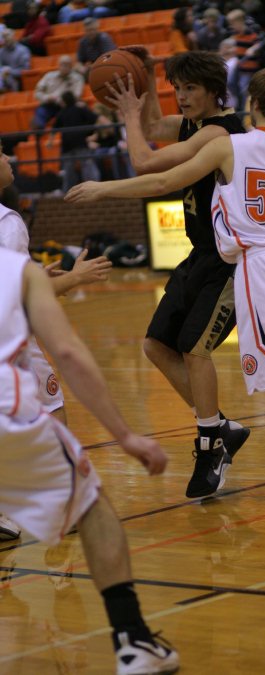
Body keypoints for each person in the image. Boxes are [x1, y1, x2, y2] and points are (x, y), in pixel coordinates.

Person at [65, 67, 265, 508]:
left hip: (263, 264)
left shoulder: (231, 145)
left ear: (253, 105)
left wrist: (103, 189)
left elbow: (163, 180)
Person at [0, 245, 179, 673]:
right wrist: (124, 435)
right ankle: (133, 639)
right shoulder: (15, 268)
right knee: (93, 507)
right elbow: (69, 353)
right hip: (8, 414)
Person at [0, 140, 113, 540]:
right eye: (1, 153)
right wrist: (75, 279)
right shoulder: (7, 221)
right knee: (50, 405)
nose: (9, 158)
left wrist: (38, 274)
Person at [50, 90, 101, 192]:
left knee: (71, 170)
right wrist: (92, 131)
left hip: (69, 145)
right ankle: (95, 188)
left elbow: (54, 129)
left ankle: (68, 191)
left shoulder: (62, 113)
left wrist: (50, 141)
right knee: (86, 166)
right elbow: (95, 118)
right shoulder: (78, 109)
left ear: (64, 101)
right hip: (79, 143)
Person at [31, 54, 85, 129]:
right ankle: (38, 136)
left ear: (71, 66)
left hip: (67, 106)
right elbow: (37, 93)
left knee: (76, 110)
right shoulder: (49, 76)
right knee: (39, 114)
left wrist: (62, 100)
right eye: (62, 64)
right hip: (49, 105)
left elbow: (76, 95)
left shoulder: (77, 78)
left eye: (67, 64)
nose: (64, 67)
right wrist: (47, 98)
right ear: (58, 65)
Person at [0, 27, 31, 92]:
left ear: (14, 37)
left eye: (7, 36)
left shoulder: (23, 50)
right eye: (4, 37)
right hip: (4, 78)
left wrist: (10, 71)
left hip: (19, 79)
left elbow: (26, 70)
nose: (6, 39)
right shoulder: (1, 52)